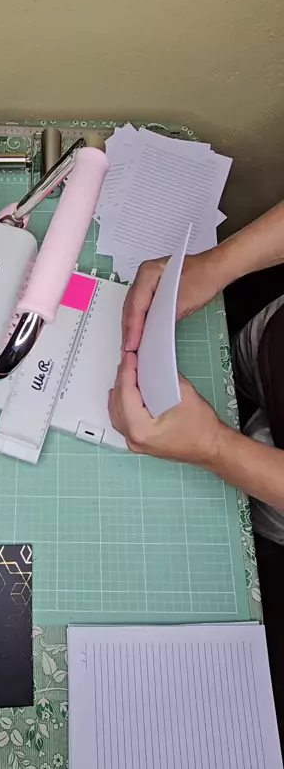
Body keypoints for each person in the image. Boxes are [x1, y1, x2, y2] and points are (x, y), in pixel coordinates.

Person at [108, 199, 284, 741]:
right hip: (272, 343)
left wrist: (213, 446)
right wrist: (216, 265)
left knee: (251, 527)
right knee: (249, 353)